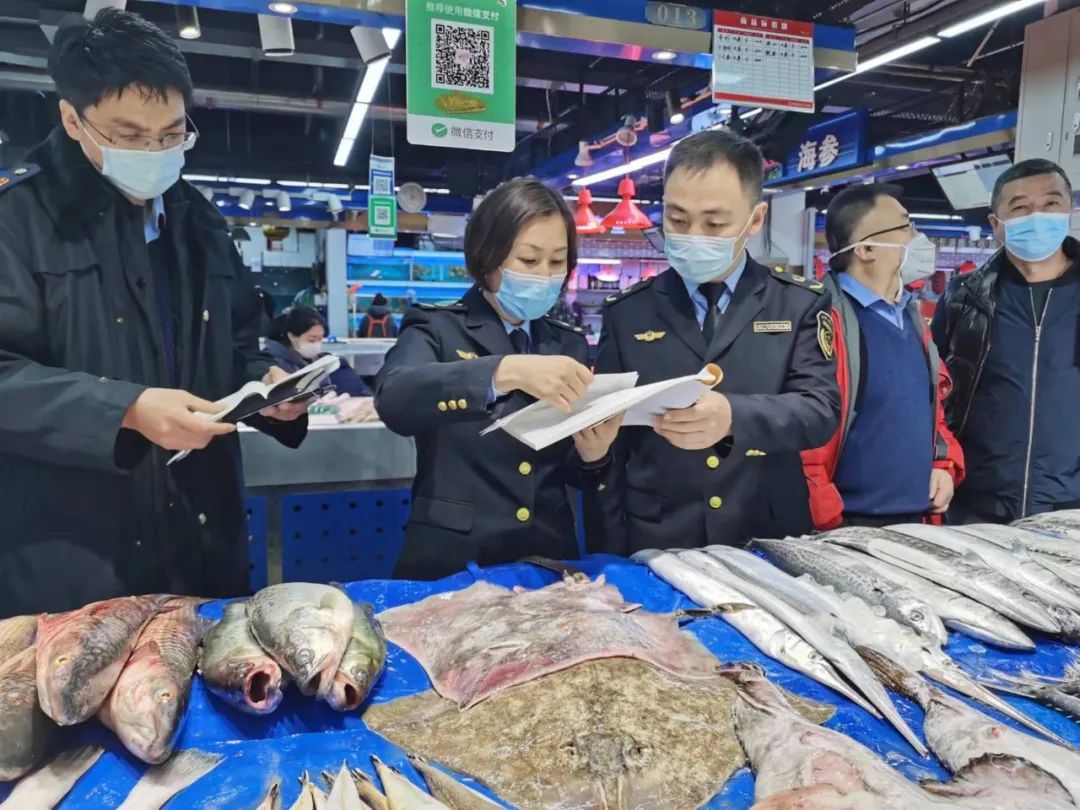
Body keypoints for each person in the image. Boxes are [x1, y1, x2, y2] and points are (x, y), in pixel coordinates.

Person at [0, 9, 307, 616]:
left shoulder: (199, 220)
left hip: (201, 536)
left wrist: (271, 383)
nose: (155, 151)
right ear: (71, 118)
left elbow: (242, 336)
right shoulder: (18, 222)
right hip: (75, 557)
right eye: (130, 135)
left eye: (171, 134)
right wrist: (128, 410)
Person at [588, 129, 841, 555]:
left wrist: (733, 415)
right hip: (659, 538)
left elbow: (820, 409)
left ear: (755, 219)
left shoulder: (796, 303)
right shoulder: (628, 313)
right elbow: (612, 443)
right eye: (677, 219)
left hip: (765, 533)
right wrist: (610, 548)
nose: (693, 234)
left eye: (715, 222)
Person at [374, 177, 621, 579]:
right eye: (528, 260)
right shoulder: (437, 327)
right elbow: (396, 399)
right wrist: (503, 371)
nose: (544, 274)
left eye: (557, 262)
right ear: (488, 258)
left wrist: (595, 455)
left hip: (547, 558)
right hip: (453, 561)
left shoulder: (567, 343)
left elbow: (563, 467)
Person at [802, 184, 964, 530]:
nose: (917, 237)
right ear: (866, 247)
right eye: (906, 226)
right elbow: (800, 432)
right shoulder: (818, 322)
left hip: (917, 519)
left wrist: (943, 463)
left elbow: (931, 412)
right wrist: (826, 517)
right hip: (844, 527)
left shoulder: (912, 317)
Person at [933, 158, 1080, 522]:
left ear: (1069, 210)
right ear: (997, 226)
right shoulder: (965, 298)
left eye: (1051, 203)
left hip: (1070, 509)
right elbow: (932, 391)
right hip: (976, 505)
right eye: (1020, 207)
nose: (1038, 215)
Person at [266, 307, 373, 397]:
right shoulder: (274, 364)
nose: (316, 344)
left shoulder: (322, 362)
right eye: (312, 340)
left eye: (320, 339)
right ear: (292, 336)